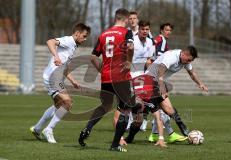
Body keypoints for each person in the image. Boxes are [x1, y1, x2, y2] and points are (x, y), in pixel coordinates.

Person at [78, 8, 136, 152]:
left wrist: (101, 70)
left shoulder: (103, 34)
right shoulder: (126, 32)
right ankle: (115, 145)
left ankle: (87, 128)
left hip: (106, 77)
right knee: (126, 110)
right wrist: (129, 61)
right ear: (126, 19)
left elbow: (92, 57)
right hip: (121, 77)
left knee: (105, 106)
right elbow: (130, 46)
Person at [30, 23, 91, 143]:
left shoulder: (73, 46)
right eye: (84, 36)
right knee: (67, 103)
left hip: (55, 77)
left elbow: (65, 66)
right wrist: (56, 56)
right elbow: (50, 42)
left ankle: (37, 128)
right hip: (53, 77)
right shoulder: (69, 40)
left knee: (58, 106)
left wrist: (73, 80)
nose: (85, 39)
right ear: (77, 33)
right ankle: (49, 129)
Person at [144, 46, 208, 137]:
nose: (189, 62)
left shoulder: (185, 61)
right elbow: (160, 74)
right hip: (148, 82)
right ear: (184, 54)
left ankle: (180, 127)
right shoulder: (171, 57)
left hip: (157, 83)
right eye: (189, 60)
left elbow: (192, 73)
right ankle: (128, 138)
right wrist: (162, 90)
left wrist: (200, 84)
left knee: (169, 109)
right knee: (140, 112)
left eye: (191, 61)